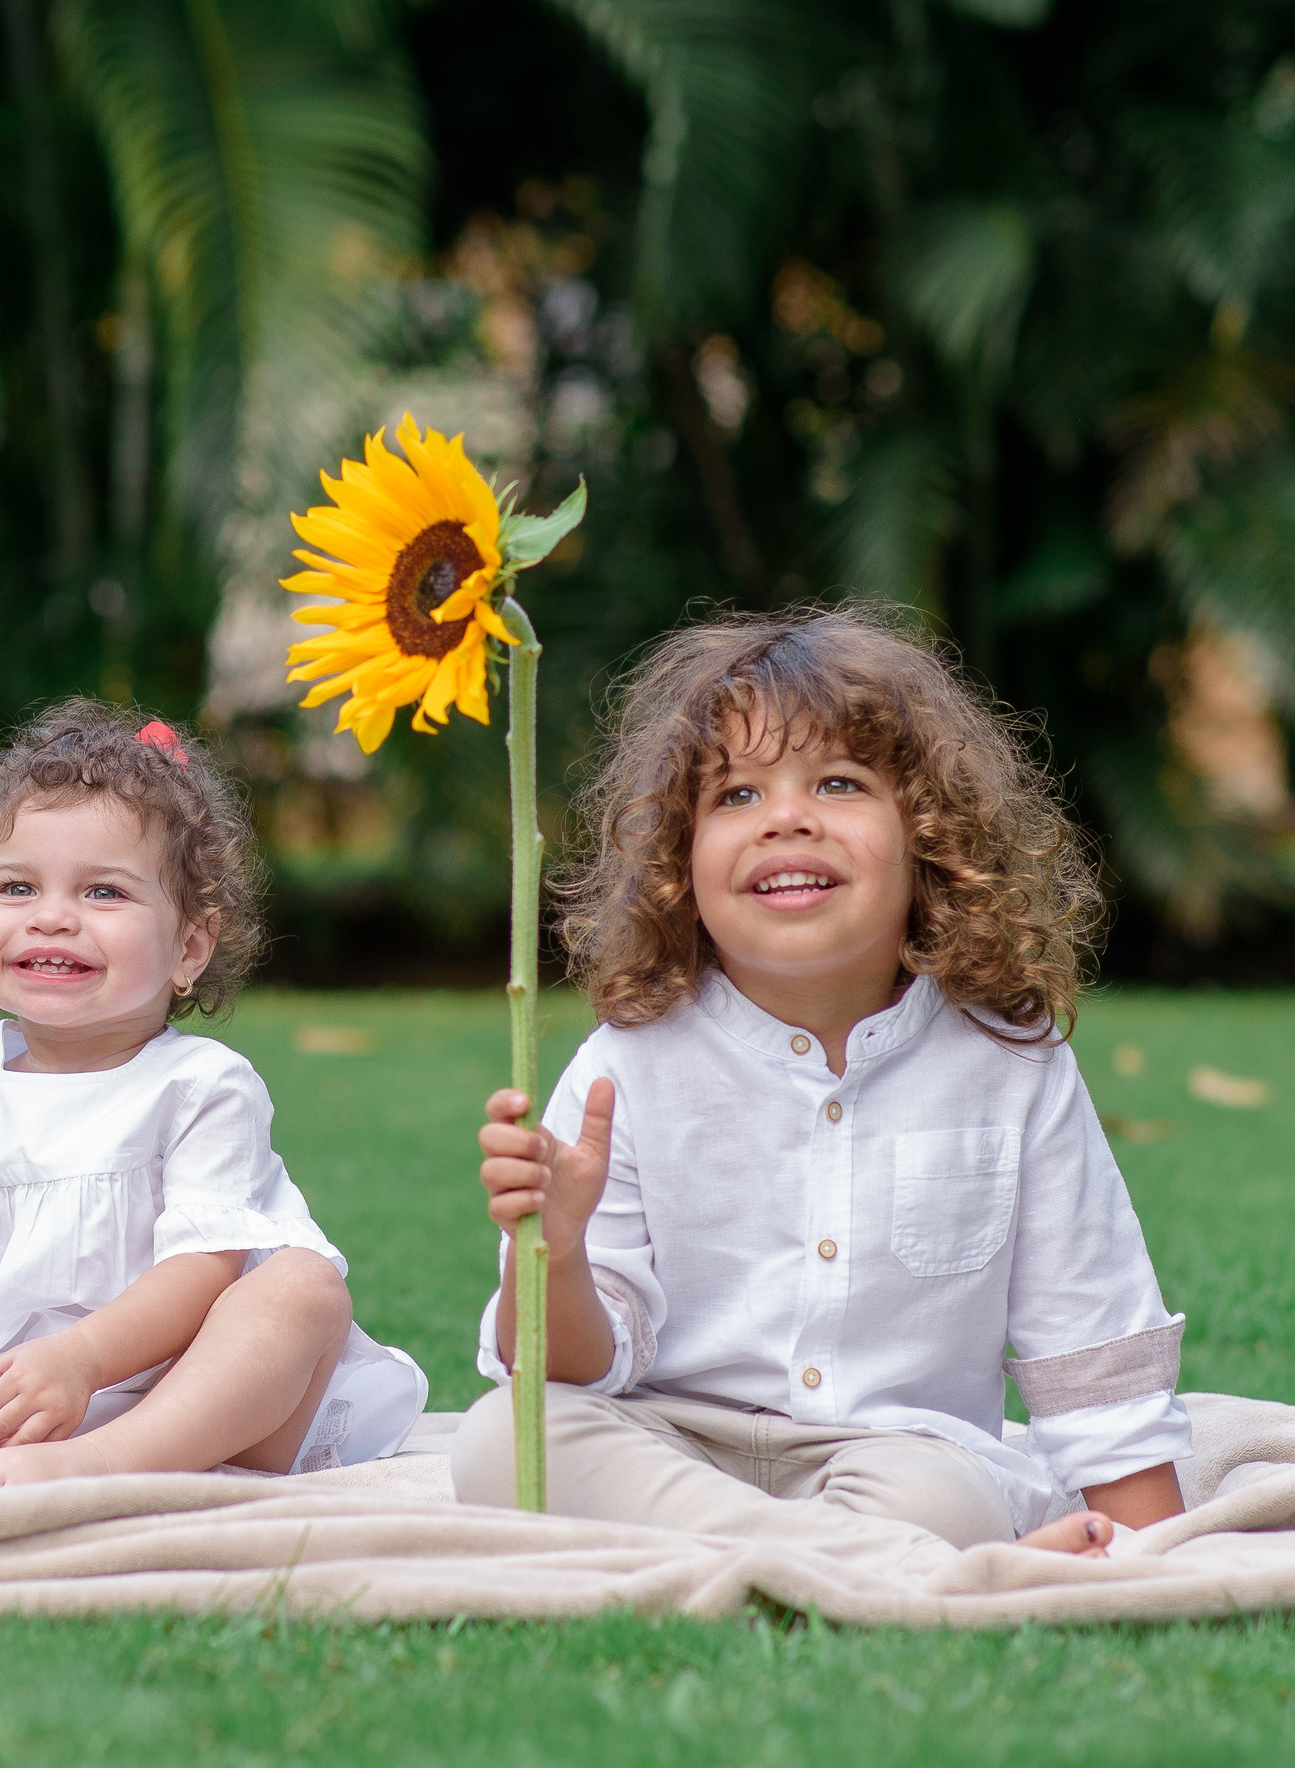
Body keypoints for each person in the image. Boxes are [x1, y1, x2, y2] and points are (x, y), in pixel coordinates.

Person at [464, 606, 1189, 1558]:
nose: (786, 818)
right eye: (735, 797)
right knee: (498, 1444)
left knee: (947, 1501)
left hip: (896, 1458)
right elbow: (565, 1368)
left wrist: (1159, 1558)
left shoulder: (1012, 1061)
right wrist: (549, 1251)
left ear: (931, 838)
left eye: (839, 783)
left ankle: (828, 1555)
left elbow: (1089, 1335)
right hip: (673, 1441)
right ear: (679, 862)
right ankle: (857, 1565)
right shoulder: (625, 1064)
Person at [0, 701, 427, 1486]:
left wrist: (81, 1360)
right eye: (18, 887)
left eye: (103, 894)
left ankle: (99, 1465)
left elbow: (203, 1273)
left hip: (178, 1390)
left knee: (303, 1290)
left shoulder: (201, 1086)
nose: (52, 918)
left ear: (189, 947)